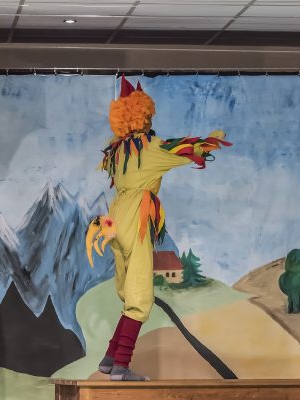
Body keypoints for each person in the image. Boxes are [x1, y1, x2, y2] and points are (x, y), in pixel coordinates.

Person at [86, 75, 231, 381]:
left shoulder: (117, 150)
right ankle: (121, 367)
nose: (151, 120)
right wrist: (210, 141)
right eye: (148, 115)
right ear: (141, 116)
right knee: (140, 297)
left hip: (116, 218)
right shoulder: (146, 147)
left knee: (129, 293)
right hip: (135, 218)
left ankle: (110, 359)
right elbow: (179, 150)